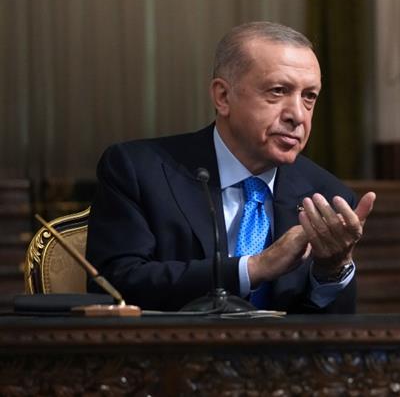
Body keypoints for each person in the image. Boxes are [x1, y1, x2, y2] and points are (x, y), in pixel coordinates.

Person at [86, 22, 375, 313]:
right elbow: (114, 286)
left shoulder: (328, 197)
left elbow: (337, 331)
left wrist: (331, 271)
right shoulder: (139, 170)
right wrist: (253, 268)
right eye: (277, 91)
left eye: (309, 96)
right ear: (223, 97)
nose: (298, 115)